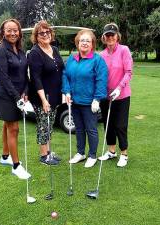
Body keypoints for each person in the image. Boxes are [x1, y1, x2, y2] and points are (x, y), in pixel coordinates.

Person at [62, 29, 108, 168]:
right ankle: (80, 153)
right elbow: (65, 75)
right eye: (82, 40)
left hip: (90, 103)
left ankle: (92, 155)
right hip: (74, 101)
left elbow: (102, 80)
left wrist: (97, 99)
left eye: (88, 41)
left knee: (91, 129)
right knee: (79, 129)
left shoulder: (97, 60)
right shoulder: (72, 58)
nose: (85, 43)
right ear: (77, 42)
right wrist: (67, 92)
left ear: (92, 43)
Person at [0, 19, 31, 179]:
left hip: (18, 94)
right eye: (9, 30)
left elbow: (24, 75)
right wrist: (18, 98)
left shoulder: (20, 50)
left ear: (19, 32)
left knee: (7, 125)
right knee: (13, 128)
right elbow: (4, 78)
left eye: (15, 30)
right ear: (3, 32)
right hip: (5, 94)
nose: (13, 33)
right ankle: (16, 165)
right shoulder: (1, 50)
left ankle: (5, 156)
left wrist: (26, 92)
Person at [28, 20, 64, 165]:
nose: (45, 34)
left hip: (54, 95)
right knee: (44, 125)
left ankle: (49, 151)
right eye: (41, 33)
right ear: (36, 36)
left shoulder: (54, 49)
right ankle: (44, 155)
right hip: (42, 97)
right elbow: (35, 78)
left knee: (50, 124)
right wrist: (43, 100)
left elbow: (61, 69)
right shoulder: (35, 52)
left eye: (47, 31)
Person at [98, 23, 133, 167]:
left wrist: (119, 87)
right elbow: (100, 75)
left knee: (120, 125)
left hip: (122, 95)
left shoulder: (124, 50)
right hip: (106, 96)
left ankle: (124, 153)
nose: (110, 37)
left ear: (117, 36)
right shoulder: (101, 55)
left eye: (113, 34)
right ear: (104, 38)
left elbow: (128, 72)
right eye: (108, 35)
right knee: (108, 124)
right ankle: (111, 151)